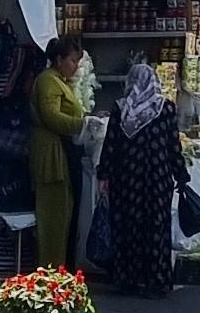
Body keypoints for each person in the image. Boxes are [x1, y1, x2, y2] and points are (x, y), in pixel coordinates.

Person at [102, 58, 184, 294]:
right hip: (158, 178)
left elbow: (111, 145)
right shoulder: (165, 108)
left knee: (128, 226)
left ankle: (128, 278)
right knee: (156, 227)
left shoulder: (121, 109)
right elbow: (173, 145)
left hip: (127, 178)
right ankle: (156, 280)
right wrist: (181, 174)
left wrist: (104, 174)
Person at [24, 32, 87, 280]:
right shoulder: (48, 81)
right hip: (50, 153)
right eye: (72, 60)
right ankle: (50, 270)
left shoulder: (59, 80)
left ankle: (58, 268)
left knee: (63, 213)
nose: (75, 66)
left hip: (60, 150)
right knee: (53, 215)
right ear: (59, 59)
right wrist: (81, 124)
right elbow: (51, 116)